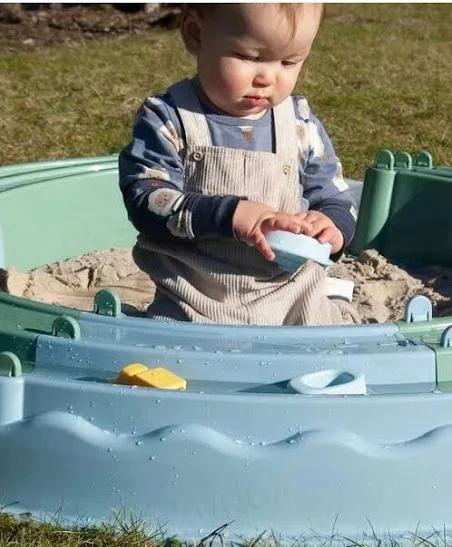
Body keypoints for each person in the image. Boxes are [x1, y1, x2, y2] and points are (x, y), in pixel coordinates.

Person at [118, 3, 360, 325]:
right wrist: (229, 214)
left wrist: (333, 226)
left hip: (290, 285)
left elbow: (336, 195)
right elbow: (146, 199)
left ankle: (331, 296)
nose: (267, 78)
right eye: (249, 57)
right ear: (196, 34)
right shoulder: (169, 119)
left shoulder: (299, 125)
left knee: (326, 343)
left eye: (289, 61)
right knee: (174, 353)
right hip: (195, 291)